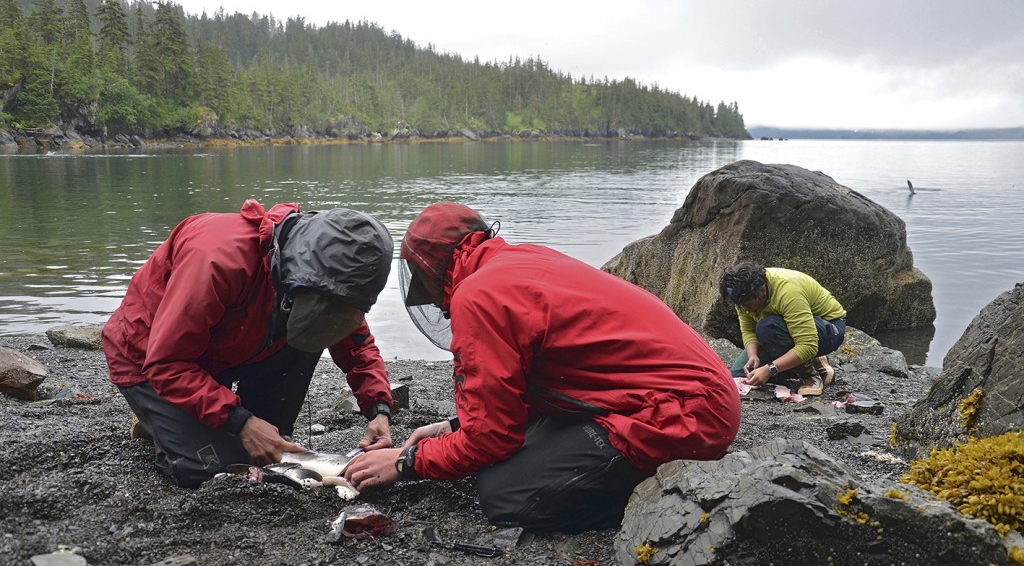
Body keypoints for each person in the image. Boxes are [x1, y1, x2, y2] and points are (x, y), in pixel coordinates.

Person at [343, 202, 741, 532]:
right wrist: (453, 427)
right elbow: (532, 383)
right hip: (687, 393)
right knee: (503, 455)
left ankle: (661, 497)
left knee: (506, 495)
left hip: (686, 412)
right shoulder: (518, 261)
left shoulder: (479, 296)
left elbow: (492, 439)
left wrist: (404, 462)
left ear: (430, 271)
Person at [103, 198, 396, 488]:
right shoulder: (217, 259)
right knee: (218, 470)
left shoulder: (330, 279)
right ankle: (159, 424)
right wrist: (242, 422)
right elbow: (166, 362)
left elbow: (356, 344)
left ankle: (196, 422)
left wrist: (379, 410)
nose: (333, 308)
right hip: (151, 357)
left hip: (235, 349)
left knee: (268, 457)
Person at [718, 261, 847, 396]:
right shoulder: (742, 294)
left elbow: (808, 344)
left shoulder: (788, 292)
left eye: (748, 304)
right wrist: (753, 356)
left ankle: (809, 375)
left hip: (828, 327)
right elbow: (748, 330)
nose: (745, 309)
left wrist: (771, 369)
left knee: (768, 327)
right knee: (739, 376)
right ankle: (812, 361)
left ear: (762, 292)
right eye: (740, 305)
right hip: (785, 328)